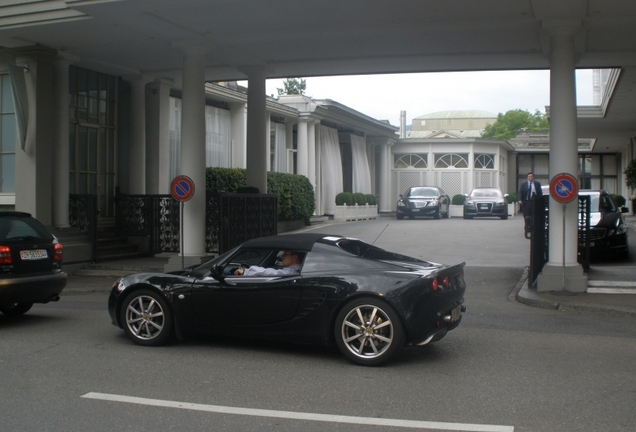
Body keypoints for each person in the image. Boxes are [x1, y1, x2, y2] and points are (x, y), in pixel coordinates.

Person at [234, 251, 302, 276]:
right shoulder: (299, 269)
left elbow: (270, 273)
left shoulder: (291, 272)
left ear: (295, 257)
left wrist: (246, 271)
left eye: (285, 253)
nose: (282, 256)